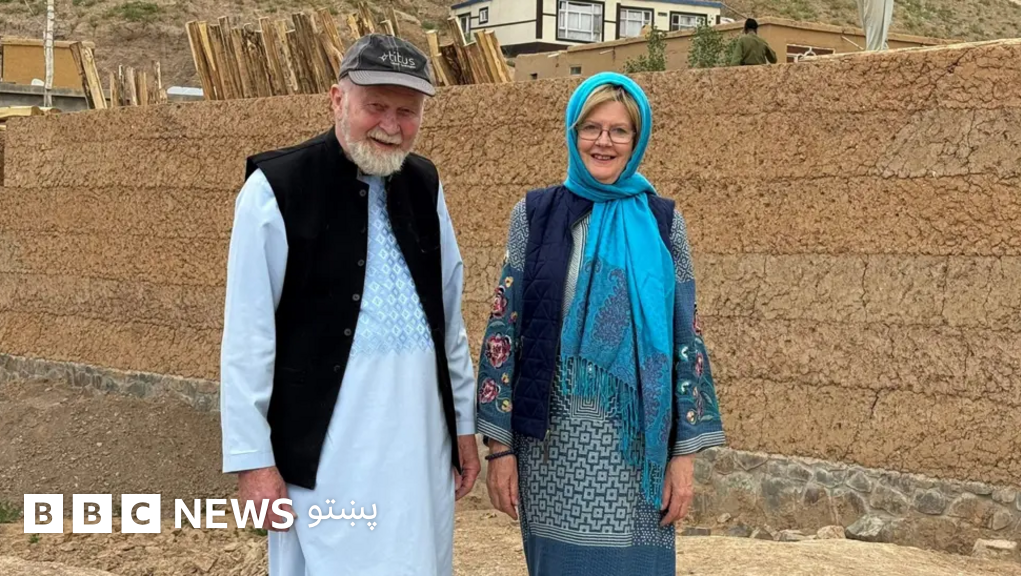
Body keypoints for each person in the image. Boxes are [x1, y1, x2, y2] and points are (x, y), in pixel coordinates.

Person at [219, 33, 480, 575]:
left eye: (407, 111)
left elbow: (448, 318)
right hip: (329, 456)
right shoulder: (275, 189)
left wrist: (463, 424)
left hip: (422, 446)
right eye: (375, 106)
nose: (391, 125)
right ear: (337, 99)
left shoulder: (425, 184)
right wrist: (253, 461)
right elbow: (248, 336)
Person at [475, 72, 726, 575]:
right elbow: (504, 327)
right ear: (573, 133)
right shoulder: (534, 215)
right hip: (549, 451)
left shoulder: (662, 222)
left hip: (639, 451)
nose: (603, 142)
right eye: (591, 127)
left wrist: (683, 456)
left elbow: (686, 338)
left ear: (637, 139)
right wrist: (500, 449)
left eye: (619, 130)